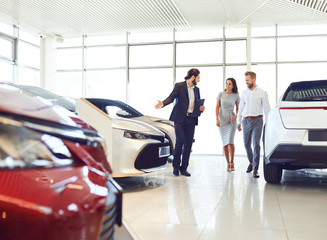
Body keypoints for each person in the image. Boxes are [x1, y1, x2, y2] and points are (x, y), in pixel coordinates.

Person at [155, 68, 205, 177]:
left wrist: (201, 108)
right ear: (193, 77)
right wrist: (162, 103)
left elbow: (197, 103)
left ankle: (184, 168)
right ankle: (176, 167)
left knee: (188, 144)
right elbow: (171, 98)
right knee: (180, 141)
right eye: (198, 78)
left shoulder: (196, 89)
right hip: (179, 119)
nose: (199, 80)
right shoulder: (179, 86)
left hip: (191, 119)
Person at [237, 71, 270, 178]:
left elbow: (267, 109)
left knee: (256, 144)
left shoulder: (262, 93)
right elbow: (240, 108)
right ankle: (251, 162)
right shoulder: (244, 93)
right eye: (245, 80)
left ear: (254, 79)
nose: (246, 82)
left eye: (247, 80)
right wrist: (238, 122)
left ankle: (255, 169)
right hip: (245, 121)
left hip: (258, 121)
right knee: (246, 144)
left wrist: (268, 124)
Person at [216, 78, 240, 172]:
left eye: (230, 84)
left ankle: (232, 162)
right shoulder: (220, 94)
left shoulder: (236, 96)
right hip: (222, 120)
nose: (227, 85)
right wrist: (217, 119)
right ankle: (228, 163)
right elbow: (217, 107)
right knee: (225, 142)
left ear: (233, 85)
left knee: (230, 140)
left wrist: (236, 116)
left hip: (231, 120)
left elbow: (239, 108)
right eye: (226, 83)